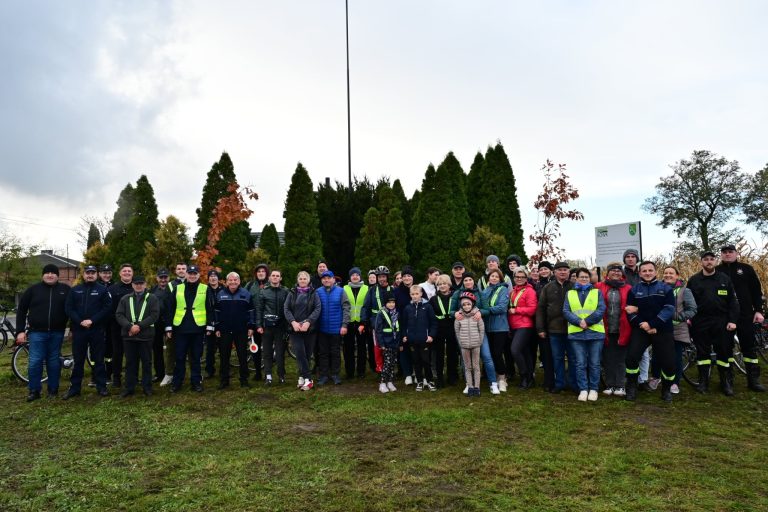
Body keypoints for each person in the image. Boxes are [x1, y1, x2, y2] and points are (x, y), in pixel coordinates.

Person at [687, 251, 740, 395]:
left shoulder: (724, 279)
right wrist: (689, 318)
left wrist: (732, 321)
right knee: (702, 352)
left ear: (715, 261)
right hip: (701, 321)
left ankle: (726, 382)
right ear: (701, 262)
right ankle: (703, 382)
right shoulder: (694, 280)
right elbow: (688, 302)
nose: (709, 261)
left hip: (722, 321)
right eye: (706, 259)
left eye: (711, 259)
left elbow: (733, 302)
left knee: (724, 351)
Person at [16, 264, 71, 401]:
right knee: (35, 361)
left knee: (53, 361)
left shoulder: (65, 290)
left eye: (53, 273)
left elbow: (73, 310)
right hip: (36, 333)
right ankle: (34, 391)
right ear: (43, 275)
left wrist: (73, 329)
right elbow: (21, 310)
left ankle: (53, 390)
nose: (50, 275)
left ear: (58, 276)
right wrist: (20, 331)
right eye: (47, 273)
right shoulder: (33, 290)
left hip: (57, 332)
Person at [624, 261, 677, 402]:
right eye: (644, 271)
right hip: (641, 329)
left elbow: (669, 309)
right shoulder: (634, 290)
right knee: (631, 358)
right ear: (640, 273)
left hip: (662, 329)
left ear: (655, 272)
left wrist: (653, 324)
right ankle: (632, 386)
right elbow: (629, 311)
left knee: (668, 362)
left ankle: (666, 389)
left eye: (650, 270)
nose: (647, 273)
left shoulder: (666, 289)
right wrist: (643, 324)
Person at [717, 244, 765, 391]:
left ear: (736, 253)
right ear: (721, 255)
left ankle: (753, 380)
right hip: (725, 316)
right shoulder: (717, 271)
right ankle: (727, 381)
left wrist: (758, 310)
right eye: (724, 252)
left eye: (730, 252)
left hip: (745, 314)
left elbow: (756, 291)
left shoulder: (746, 269)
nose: (727, 254)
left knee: (749, 347)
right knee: (725, 348)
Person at [63, 264, 112, 399]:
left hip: (96, 330)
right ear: (83, 275)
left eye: (92, 273)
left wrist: (92, 320)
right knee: (78, 360)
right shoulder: (75, 290)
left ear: (96, 275)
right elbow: (69, 308)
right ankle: (75, 388)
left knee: (98, 359)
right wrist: (80, 321)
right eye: (87, 273)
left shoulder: (102, 290)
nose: (90, 275)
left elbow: (107, 308)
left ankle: (101, 387)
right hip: (79, 330)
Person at [166, 265, 216, 393]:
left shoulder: (205, 288)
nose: (192, 276)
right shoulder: (178, 288)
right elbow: (170, 309)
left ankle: (196, 382)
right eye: (190, 273)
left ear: (199, 275)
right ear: (186, 275)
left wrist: (210, 326)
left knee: (196, 357)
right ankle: (177, 383)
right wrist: (169, 328)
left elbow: (210, 308)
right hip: (180, 329)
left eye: (195, 273)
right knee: (179, 357)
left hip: (198, 329)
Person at [450, 272, 500, 395]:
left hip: (477, 331)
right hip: (464, 331)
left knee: (486, 356)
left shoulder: (480, 293)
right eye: (465, 280)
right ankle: (469, 384)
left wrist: (480, 312)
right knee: (465, 360)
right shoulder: (457, 293)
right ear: (463, 282)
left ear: (474, 281)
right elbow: (451, 311)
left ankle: (493, 383)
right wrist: (454, 313)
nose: (468, 282)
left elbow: (487, 309)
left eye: (470, 279)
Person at [564, 268, 607, 402]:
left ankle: (593, 389)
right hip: (576, 333)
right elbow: (566, 311)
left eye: (586, 277)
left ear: (590, 279)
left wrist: (587, 321)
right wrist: (579, 322)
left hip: (595, 332)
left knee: (594, 363)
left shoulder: (597, 292)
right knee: (580, 363)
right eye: (581, 277)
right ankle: (583, 389)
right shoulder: (569, 293)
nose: (584, 279)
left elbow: (601, 309)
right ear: (576, 278)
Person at [115, 275, 160, 397]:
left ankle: (147, 387)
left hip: (146, 336)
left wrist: (138, 326)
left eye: (141, 283)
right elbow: (119, 315)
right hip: (129, 336)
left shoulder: (152, 298)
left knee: (146, 362)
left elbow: (154, 315)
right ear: (132, 285)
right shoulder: (125, 299)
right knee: (130, 363)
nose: (139, 286)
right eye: (136, 284)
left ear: (145, 285)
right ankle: (129, 387)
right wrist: (130, 327)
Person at [536, 261, 576, 393]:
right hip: (554, 329)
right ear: (554, 272)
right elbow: (541, 309)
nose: (563, 272)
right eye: (560, 270)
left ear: (569, 272)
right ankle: (559, 383)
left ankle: (573, 383)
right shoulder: (548, 288)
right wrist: (540, 328)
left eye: (565, 270)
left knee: (573, 358)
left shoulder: (574, 287)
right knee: (557, 358)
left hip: (572, 329)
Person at [594, 263, 632, 397]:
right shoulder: (598, 286)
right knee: (608, 359)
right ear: (608, 273)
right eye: (613, 271)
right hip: (605, 328)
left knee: (621, 359)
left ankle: (620, 385)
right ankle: (610, 384)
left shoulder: (628, 288)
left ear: (622, 274)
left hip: (622, 329)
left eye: (618, 271)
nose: (616, 273)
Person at [214, 272, 254, 389]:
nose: (233, 282)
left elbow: (251, 311)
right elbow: (216, 312)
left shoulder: (246, 294)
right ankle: (224, 380)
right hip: (225, 330)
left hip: (241, 330)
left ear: (239, 281)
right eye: (230, 280)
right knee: (224, 356)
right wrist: (217, 327)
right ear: (226, 282)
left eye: (235, 280)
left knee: (242, 356)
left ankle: (244, 380)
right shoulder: (220, 294)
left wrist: (251, 327)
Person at [661, 266, 697, 394]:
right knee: (660, 357)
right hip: (661, 328)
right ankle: (661, 379)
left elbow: (692, 309)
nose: (668, 275)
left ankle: (675, 383)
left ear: (677, 275)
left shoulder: (685, 291)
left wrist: (677, 317)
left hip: (677, 329)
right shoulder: (659, 288)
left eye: (671, 273)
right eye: (666, 273)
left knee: (675, 358)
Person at [284, 271, 321, 391]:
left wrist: (308, 322)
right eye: (301, 278)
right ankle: (309, 379)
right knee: (300, 353)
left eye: (305, 278)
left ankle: (301, 376)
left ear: (309, 280)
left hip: (309, 329)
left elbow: (317, 308)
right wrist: (293, 322)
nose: (303, 280)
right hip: (295, 329)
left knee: (307, 354)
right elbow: (286, 309)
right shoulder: (292, 292)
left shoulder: (314, 293)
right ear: (297, 280)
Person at [315, 270, 350, 385]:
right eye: (324, 278)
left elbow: (346, 308)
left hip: (336, 329)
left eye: (329, 278)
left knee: (335, 353)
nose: (326, 280)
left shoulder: (341, 291)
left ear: (333, 280)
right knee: (323, 353)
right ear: (321, 280)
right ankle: (324, 375)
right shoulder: (318, 292)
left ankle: (335, 375)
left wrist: (344, 325)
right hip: (322, 329)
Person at [255, 269, 289, 385]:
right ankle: (268, 376)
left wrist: (288, 325)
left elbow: (288, 309)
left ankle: (281, 376)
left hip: (281, 327)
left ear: (280, 278)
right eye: (273, 275)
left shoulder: (285, 291)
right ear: (269, 278)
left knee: (280, 353)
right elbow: (259, 309)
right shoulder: (264, 291)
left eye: (277, 276)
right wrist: (259, 325)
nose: (275, 277)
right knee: (267, 352)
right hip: (267, 326)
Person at [401, 285, 438, 391]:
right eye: (412, 294)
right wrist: (404, 335)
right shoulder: (408, 308)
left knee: (426, 361)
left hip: (425, 340)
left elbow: (433, 323)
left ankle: (430, 381)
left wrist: (431, 335)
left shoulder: (427, 307)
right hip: (412, 340)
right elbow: (404, 324)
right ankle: (419, 381)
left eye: (417, 294)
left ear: (421, 294)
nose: (415, 296)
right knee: (416, 361)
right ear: (410, 295)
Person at [508, 267, 539, 390]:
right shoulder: (513, 291)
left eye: (522, 277)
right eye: (517, 277)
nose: (519, 279)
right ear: (514, 278)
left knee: (515, 350)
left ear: (526, 278)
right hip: (514, 325)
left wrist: (516, 310)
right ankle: (530, 378)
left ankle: (524, 376)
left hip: (525, 325)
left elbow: (532, 309)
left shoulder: (530, 291)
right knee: (525, 352)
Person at [481, 269, 511, 390]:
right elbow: (481, 303)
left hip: (500, 327)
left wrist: (486, 311)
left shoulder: (503, 289)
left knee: (497, 353)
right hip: (487, 327)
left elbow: (502, 307)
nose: (494, 278)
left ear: (500, 279)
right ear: (488, 278)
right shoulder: (485, 290)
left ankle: (502, 378)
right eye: (492, 276)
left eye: (496, 277)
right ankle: (493, 377)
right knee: (490, 354)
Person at [106, 263, 135, 387]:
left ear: (132, 273)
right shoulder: (112, 289)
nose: (127, 273)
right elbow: (109, 309)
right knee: (117, 354)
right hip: (117, 327)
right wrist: (123, 323)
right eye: (124, 271)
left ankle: (131, 378)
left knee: (132, 354)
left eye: (129, 271)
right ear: (120, 273)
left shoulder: (137, 287)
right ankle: (116, 378)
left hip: (134, 328)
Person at [361, 266, 393, 374]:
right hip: (376, 323)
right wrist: (364, 322)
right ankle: (379, 368)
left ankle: (389, 367)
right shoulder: (372, 290)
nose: (382, 279)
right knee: (378, 346)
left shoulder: (392, 289)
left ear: (387, 277)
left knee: (389, 345)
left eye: (384, 276)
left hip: (390, 323)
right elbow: (366, 306)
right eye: (379, 277)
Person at [429, 274, 459, 387]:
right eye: (440, 284)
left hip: (452, 327)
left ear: (449, 285)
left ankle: (452, 377)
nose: (442, 286)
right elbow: (431, 316)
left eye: (444, 283)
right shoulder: (433, 299)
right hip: (439, 329)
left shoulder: (455, 297)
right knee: (439, 354)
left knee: (452, 353)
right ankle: (440, 379)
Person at [160, 262, 187, 386]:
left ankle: (196, 374)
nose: (181, 270)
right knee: (170, 350)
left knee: (191, 350)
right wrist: (168, 326)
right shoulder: (170, 285)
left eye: (183, 268)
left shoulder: (193, 283)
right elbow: (167, 307)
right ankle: (169, 374)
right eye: (179, 268)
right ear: (175, 271)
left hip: (190, 323)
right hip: (175, 323)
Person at [454, 291, 485, 397]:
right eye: (464, 304)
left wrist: (479, 341)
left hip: (476, 345)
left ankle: (477, 387)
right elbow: (457, 331)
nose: (466, 306)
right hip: (464, 346)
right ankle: (470, 387)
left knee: (476, 366)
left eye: (468, 304)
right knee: (467, 367)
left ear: (472, 304)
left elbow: (481, 330)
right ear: (461, 306)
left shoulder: (477, 316)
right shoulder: (459, 317)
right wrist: (461, 342)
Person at [343, 267, 369, 380]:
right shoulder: (344, 288)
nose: (355, 277)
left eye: (357, 275)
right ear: (350, 277)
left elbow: (367, 306)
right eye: (353, 275)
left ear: (360, 276)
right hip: (348, 322)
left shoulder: (366, 288)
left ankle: (361, 371)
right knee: (348, 348)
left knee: (362, 348)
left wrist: (364, 322)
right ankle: (349, 372)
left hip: (361, 323)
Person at [244, 263, 269, 382]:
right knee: (255, 348)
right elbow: (244, 302)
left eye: (263, 271)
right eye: (259, 271)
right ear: (256, 273)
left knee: (268, 349)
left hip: (268, 322)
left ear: (267, 273)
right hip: (254, 322)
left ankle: (268, 373)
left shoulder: (272, 284)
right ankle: (258, 372)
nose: (261, 273)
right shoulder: (249, 285)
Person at [394, 266, 418, 385]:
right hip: (402, 324)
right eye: (404, 276)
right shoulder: (397, 291)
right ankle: (407, 374)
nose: (406, 278)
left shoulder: (418, 289)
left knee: (416, 349)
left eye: (409, 275)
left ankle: (416, 372)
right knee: (404, 349)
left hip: (417, 324)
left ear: (412, 277)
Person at [374, 292, 400, 393]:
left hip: (395, 342)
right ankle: (382, 383)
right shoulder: (381, 313)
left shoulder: (396, 313)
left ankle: (390, 381)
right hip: (386, 342)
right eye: (389, 302)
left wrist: (399, 343)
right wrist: (381, 344)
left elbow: (398, 328)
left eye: (393, 302)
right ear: (385, 303)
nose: (391, 304)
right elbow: (378, 330)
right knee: (387, 364)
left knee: (393, 363)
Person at [149, 268, 171, 383]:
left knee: (172, 349)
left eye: (165, 277)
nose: (163, 279)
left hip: (170, 323)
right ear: (157, 278)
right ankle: (159, 373)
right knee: (157, 349)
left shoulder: (173, 288)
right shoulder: (152, 290)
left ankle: (171, 373)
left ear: (169, 278)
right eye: (161, 277)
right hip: (156, 323)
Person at [204, 269, 222, 379]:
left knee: (224, 349)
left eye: (215, 276)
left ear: (218, 279)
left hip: (221, 324)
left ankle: (224, 369)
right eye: (211, 276)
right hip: (209, 324)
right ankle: (209, 370)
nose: (213, 278)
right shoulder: (204, 290)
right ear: (208, 278)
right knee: (210, 349)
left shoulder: (224, 290)